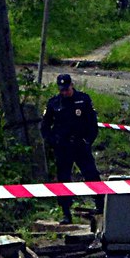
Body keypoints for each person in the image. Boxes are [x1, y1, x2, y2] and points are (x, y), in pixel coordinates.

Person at [41, 73, 100, 223]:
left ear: (71, 85)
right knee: (64, 179)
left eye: (67, 89)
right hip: (63, 147)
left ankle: (101, 205)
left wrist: (88, 141)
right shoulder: (54, 104)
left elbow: (92, 123)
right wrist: (53, 142)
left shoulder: (83, 100)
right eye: (62, 90)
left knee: (91, 174)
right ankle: (66, 212)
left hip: (80, 145)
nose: (65, 92)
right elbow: (45, 127)